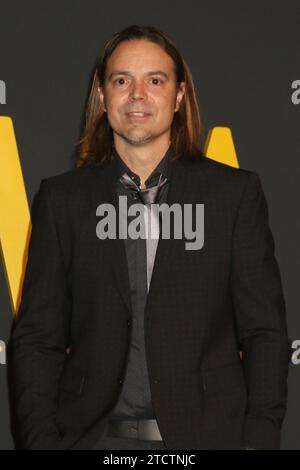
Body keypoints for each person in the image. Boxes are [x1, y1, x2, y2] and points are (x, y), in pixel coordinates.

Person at [7, 24, 291, 450]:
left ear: (179, 96)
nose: (137, 95)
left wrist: (257, 440)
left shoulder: (233, 195)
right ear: (102, 97)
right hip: (93, 441)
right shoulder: (62, 201)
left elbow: (265, 334)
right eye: (122, 80)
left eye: (154, 80)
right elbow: (36, 340)